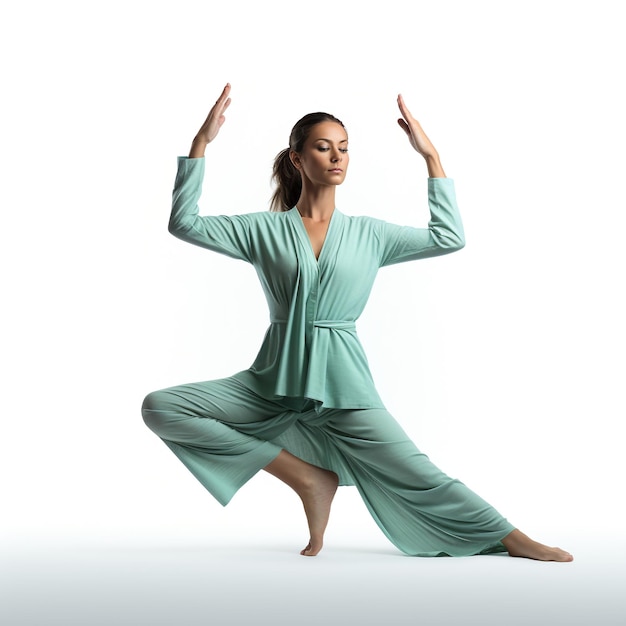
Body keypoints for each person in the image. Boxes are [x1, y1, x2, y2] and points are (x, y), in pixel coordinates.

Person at [142, 83, 572, 561]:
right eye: (323, 147)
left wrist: (429, 156)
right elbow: (185, 223)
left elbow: (449, 237)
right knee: (162, 407)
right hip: (270, 381)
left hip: (343, 385)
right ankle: (307, 477)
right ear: (296, 158)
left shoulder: (370, 234)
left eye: (344, 148)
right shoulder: (262, 230)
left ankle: (512, 538)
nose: (336, 157)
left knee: (417, 472)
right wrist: (201, 145)